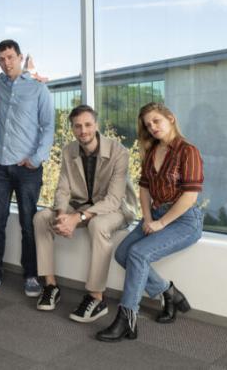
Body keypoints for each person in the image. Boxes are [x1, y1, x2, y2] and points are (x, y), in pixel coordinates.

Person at [96, 102, 204, 342]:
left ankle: (126, 319)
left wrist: (161, 223)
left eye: (157, 121)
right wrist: (147, 217)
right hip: (155, 215)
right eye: (148, 125)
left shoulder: (188, 151)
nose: (153, 127)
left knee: (138, 254)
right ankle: (168, 292)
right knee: (123, 253)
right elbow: (144, 188)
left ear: (171, 118)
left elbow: (189, 197)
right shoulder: (152, 151)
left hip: (184, 220)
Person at [33, 105, 136, 322]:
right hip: (80, 206)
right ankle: (51, 286)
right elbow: (63, 188)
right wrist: (62, 216)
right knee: (41, 218)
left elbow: (113, 199)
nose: (83, 131)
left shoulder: (119, 152)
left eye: (88, 125)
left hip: (115, 209)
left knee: (96, 225)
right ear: (72, 129)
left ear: (96, 125)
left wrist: (77, 218)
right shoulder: (69, 150)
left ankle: (96, 297)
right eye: (78, 126)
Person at [0, 39, 55, 297]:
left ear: (20, 57)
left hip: (27, 169)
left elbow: (48, 127)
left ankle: (31, 275)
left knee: (28, 224)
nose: (6, 62)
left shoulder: (38, 90)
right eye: (1, 58)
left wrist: (37, 158)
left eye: (10, 57)